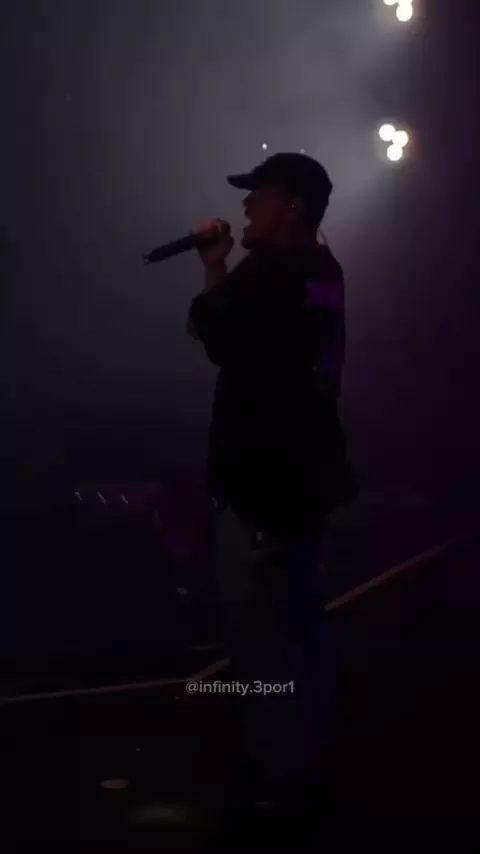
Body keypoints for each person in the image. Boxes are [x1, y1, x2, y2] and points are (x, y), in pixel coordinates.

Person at [187, 153, 355, 820]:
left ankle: (283, 786)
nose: (247, 205)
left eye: (259, 193)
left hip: (261, 485)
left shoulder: (271, 271)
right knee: (303, 632)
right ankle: (311, 767)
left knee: (262, 643)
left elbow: (206, 328)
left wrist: (214, 262)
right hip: (305, 482)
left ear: (292, 205)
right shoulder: (324, 269)